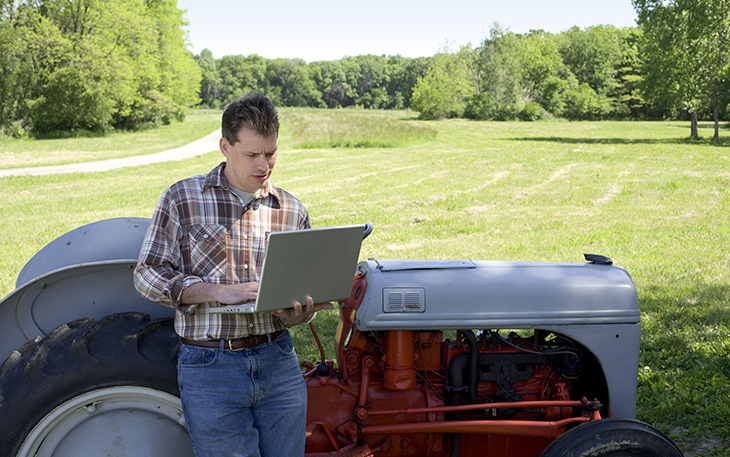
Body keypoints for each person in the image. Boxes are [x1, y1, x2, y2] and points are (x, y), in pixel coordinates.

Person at [134, 91, 330, 457]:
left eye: (271, 153)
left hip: (278, 359)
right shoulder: (182, 198)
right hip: (210, 366)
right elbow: (146, 274)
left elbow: (303, 289)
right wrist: (215, 291)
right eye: (252, 154)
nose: (264, 164)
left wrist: (302, 313)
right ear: (225, 146)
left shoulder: (291, 209)